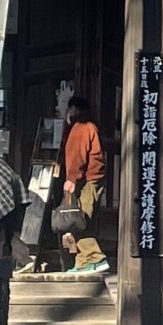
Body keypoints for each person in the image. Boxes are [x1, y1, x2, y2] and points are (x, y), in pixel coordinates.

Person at [60, 97, 109, 276]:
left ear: (73, 109)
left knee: (79, 220)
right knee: (83, 218)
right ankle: (83, 261)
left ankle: (94, 257)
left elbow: (77, 156)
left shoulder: (80, 127)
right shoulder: (91, 126)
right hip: (93, 179)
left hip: (86, 180)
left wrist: (71, 178)